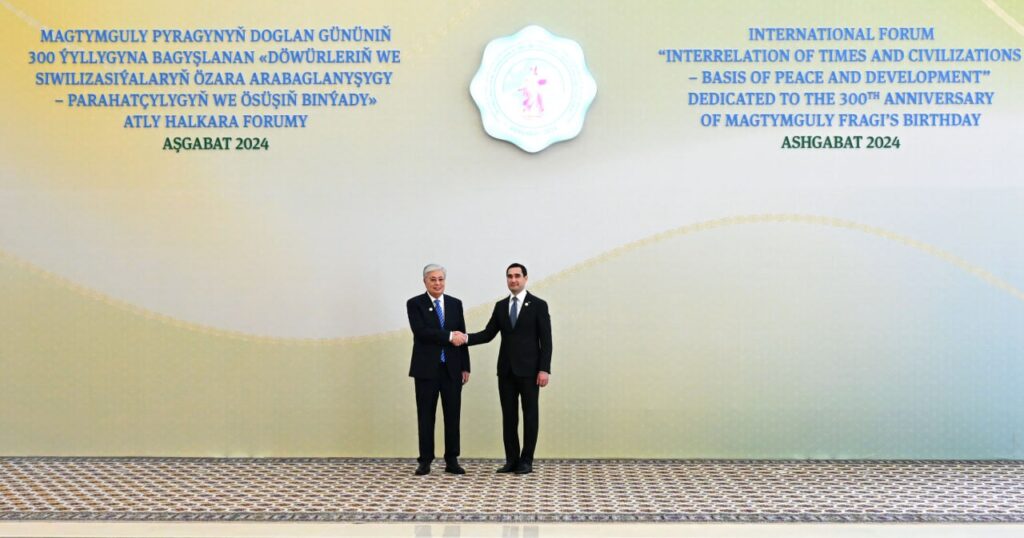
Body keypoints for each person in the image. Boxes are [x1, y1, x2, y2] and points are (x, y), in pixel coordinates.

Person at [466, 263, 552, 475]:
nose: (513, 280)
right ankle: (512, 460)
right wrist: (464, 338)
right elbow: (487, 334)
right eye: (509, 276)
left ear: (525, 278)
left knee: (530, 416)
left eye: (517, 276)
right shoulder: (501, 306)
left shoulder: (539, 305)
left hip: (531, 372)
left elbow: (546, 341)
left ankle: (526, 460)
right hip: (506, 371)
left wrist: (544, 369)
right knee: (509, 417)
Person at [406, 264, 471, 475]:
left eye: (441, 279)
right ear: (425, 281)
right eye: (433, 279)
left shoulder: (455, 303)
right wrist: (450, 336)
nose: (437, 283)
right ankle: (425, 460)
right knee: (426, 415)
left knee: (453, 415)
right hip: (426, 370)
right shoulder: (415, 304)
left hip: (452, 369)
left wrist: (465, 366)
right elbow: (421, 332)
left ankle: (452, 459)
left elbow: (462, 335)